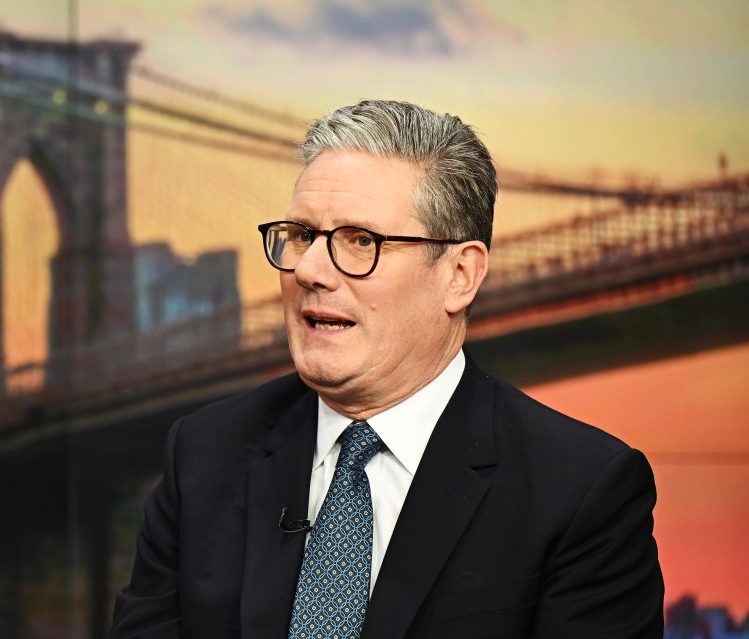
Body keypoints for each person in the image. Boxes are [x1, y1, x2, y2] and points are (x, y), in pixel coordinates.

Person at [108, 99, 664, 638]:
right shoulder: (205, 453)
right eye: (302, 235)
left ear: (460, 275)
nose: (309, 270)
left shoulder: (584, 491)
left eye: (361, 241)